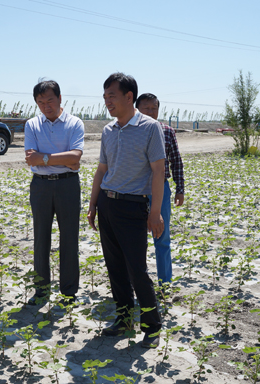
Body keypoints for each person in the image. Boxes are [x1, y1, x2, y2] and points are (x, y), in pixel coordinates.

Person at [87, 72, 164, 348]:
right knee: (115, 267)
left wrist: (154, 213)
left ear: (129, 97)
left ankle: (152, 326)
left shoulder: (150, 127)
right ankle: (123, 320)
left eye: (112, 96)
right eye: (105, 97)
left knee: (137, 270)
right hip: (108, 203)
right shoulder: (108, 130)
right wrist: (93, 204)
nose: (108, 101)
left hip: (133, 206)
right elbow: (101, 170)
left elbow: (158, 171)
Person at [24, 80, 84, 305]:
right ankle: (41, 290)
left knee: (69, 238)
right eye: (40, 102)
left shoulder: (74, 123)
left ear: (60, 98)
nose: (45, 106)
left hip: (68, 184)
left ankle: (69, 292)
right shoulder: (32, 125)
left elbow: (75, 158)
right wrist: (62, 158)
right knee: (41, 238)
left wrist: (45, 158)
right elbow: (31, 158)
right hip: (40, 185)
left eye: (50, 100)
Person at [136, 93, 184, 285]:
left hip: (161, 190)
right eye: (146, 108)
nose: (150, 111)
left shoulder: (167, 131)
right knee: (136, 241)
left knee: (162, 238)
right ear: (137, 109)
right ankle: (139, 283)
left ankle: (165, 283)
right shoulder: (131, 130)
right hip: (135, 190)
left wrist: (180, 188)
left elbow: (176, 161)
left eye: (154, 108)